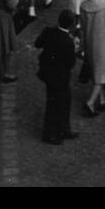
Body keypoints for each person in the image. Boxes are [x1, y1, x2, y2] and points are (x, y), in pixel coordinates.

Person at [34, 9, 79, 144]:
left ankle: (62, 130)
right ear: (71, 25)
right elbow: (71, 62)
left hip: (48, 73)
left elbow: (37, 43)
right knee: (58, 104)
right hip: (60, 77)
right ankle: (52, 134)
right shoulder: (68, 42)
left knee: (57, 102)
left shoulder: (48, 31)